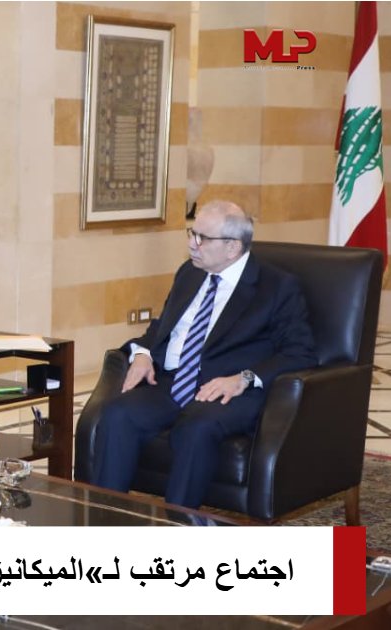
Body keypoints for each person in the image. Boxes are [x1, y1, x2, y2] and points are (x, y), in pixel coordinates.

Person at [89, 200, 316, 508]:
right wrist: (142, 353)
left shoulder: (276, 287)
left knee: (196, 428)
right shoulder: (190, 273)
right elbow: (162, 327)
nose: (191, 244)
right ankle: (105, 518)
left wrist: (244, 378)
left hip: (226, 391)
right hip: (172, 381)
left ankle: (180, 524)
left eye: (202, 238)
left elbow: (301, 353)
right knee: (118, 414)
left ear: (233, 247)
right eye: (191, 233)